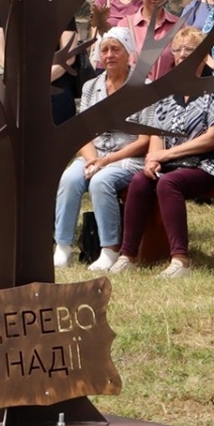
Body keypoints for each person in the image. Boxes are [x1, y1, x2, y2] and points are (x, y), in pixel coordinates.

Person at [112, 26, 214, 278]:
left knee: (168, 183)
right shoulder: (167, 90)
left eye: (190, 50)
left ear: (204, 55)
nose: (183, 55)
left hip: (213, 163)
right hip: (175, 163)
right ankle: (128, 255)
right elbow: (158, 133)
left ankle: (180, 260)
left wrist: (167, 156)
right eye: (179, 51)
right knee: (140, 180)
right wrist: (152, 159)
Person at [54, 28, 153, 271]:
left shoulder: (145, 86)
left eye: (115, 49)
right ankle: (63, 246)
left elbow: (145, 140)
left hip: (128, 156)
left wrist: (105, 162)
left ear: (128, 53)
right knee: (68, 178)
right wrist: (92, 160)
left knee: (101, 182)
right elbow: (82, 132)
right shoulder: (91, 86)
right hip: (94, 155)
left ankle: (109, 250)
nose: (109, 55)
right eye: (104, 50)